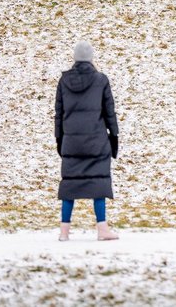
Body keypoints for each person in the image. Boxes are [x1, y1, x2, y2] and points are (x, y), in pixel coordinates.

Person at [55, 41, 120, 241]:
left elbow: (59, 114)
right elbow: (109, 112)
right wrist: (114, 137)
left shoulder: (64, 81)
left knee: (69, 184)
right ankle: (102, 229)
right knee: (99, 182)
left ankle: (64, 232)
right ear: (91, 57)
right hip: (96, 140)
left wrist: (59, 140)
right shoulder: (101, 80)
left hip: (71, 141)